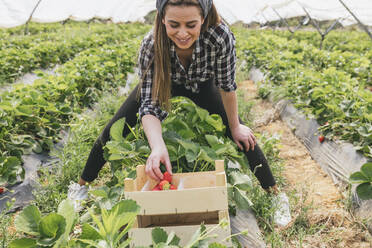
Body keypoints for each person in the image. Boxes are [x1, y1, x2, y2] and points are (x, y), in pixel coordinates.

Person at [68, 0, 291, 226]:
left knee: (243, 136)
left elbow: (226, 86)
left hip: (203, 84)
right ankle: (81, 187)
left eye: (191, 25)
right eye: (174, 24)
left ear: (203, 19)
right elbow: (149, 105)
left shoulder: (220, 36)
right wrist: (157, 146)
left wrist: (235, 127)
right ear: (162, 18)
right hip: (165, 83)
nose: (182, 33)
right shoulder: (151, 44)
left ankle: (275, 195)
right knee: (114, 130)